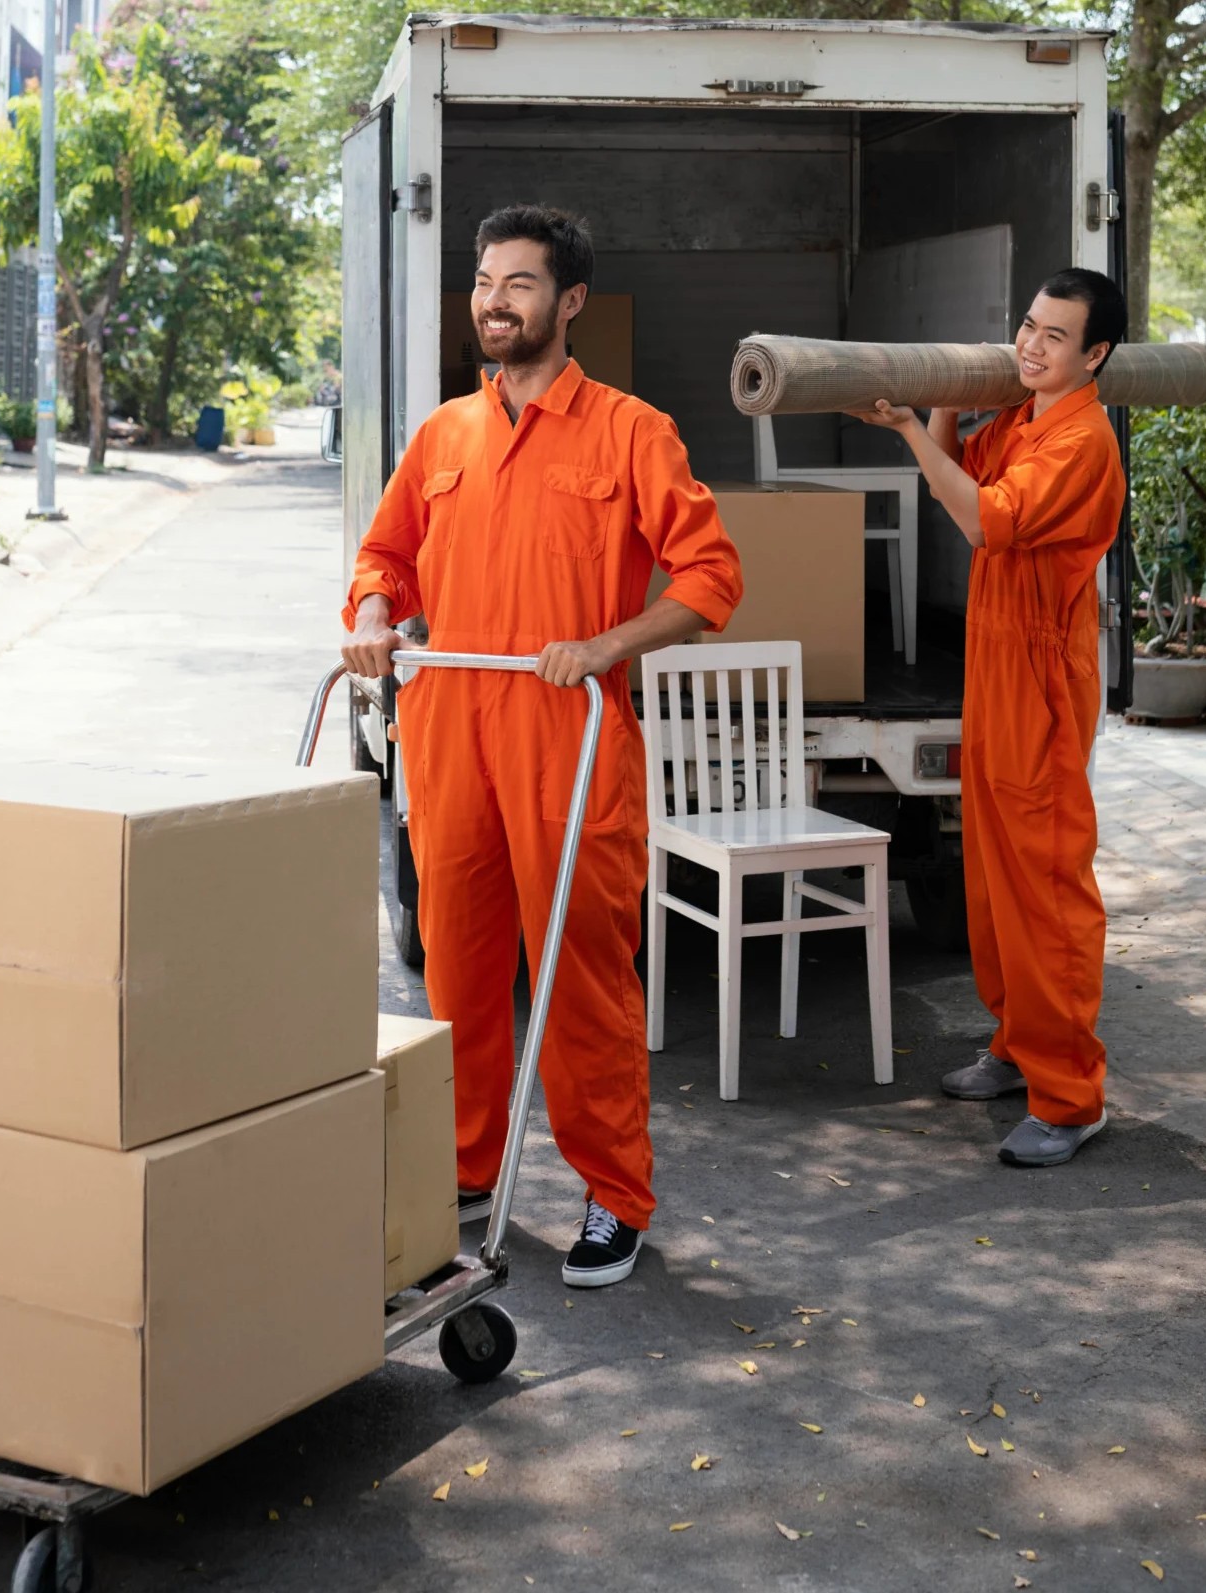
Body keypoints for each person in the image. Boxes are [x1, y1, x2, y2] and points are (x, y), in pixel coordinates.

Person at [341, 204, 743, 1285]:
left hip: (565, 732)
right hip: (449, 727)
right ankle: (469, 1166)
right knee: (458, 967)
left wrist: (609, 641)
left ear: (569, 303)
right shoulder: (442, 437)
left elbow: (711, 579)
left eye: (519, 284)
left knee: (580, 974)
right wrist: (377, 618)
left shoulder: (629, 431)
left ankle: (614, 1196)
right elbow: (386, 558)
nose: (494, 301)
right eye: (484, 281)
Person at [848, 268, 1128, 1167]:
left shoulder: (1081, 439)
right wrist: (937, 405)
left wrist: (904, 428)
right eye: (1026, 326)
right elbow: (958, 474)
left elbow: (978, 521)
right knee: (992, 876)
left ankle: (1070, 1094)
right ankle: (1016, 1047)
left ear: (1095, 354)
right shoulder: (1022, 416)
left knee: (1045, 888)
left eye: (1053, 336)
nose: (1029, 345)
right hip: (994, 665)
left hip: (1041, 679)